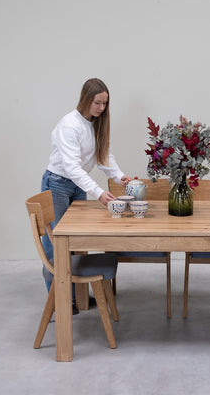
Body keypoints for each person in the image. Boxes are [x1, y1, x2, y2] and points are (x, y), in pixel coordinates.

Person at [41, 78, 131, 314]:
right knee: (55, 244)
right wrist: (99, 192)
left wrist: (120, 177)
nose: (101, 108)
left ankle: (77, 297)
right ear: (85, 99)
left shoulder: (95, 124)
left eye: (104, 104)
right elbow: (72, 168)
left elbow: (105, 156)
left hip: (77, 185)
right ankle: (60, 301)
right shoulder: (69, 125)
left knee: (78, 242)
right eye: (97, 103)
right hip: (58, 184)